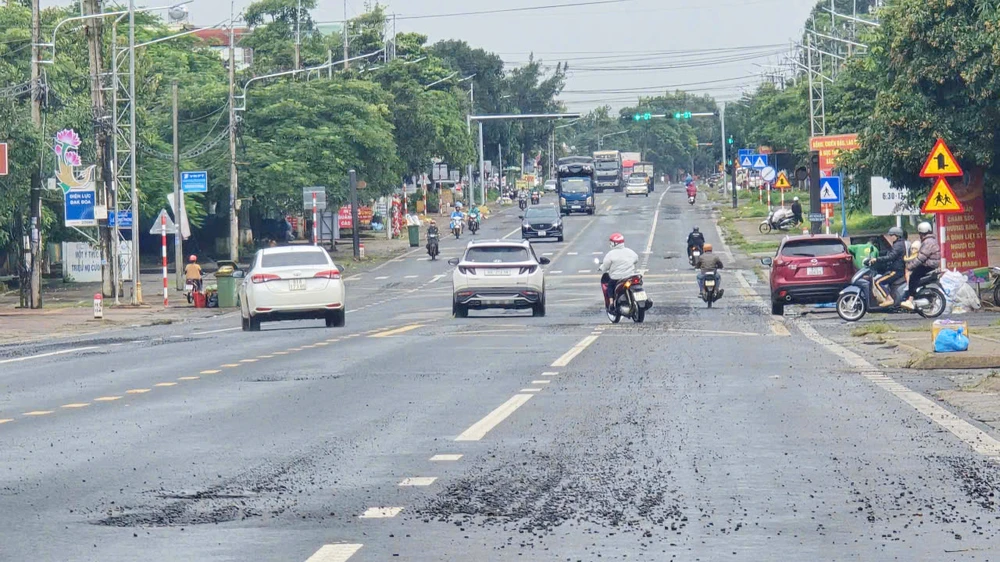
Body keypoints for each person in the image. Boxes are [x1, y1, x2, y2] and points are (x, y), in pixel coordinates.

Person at [901, 221, 941, 310]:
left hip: (929, 265)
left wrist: (910, 266)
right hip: (931, 264)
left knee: (913, 277)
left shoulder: (927, 242)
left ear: (921, 233)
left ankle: (910, 299)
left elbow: (920, 258)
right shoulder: (931, 240)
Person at [598, 233, 639, 311]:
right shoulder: (630, 251)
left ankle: (611, 303)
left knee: (610, 286)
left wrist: (601, 268)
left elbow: (606, 266)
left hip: (617, 278)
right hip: (630, 276)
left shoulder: (610, 254)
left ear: (614, 243)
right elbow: (636, 259)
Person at [867, 226, 906, 307]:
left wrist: (877, 259)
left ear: (897, 236)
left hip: (896, 270)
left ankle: (889, 299)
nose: (890, 237)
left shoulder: (898, 245)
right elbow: (889, 254)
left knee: (877, 282)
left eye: (892, 235)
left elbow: (891, 257)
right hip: (896, 269)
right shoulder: (899, 244)